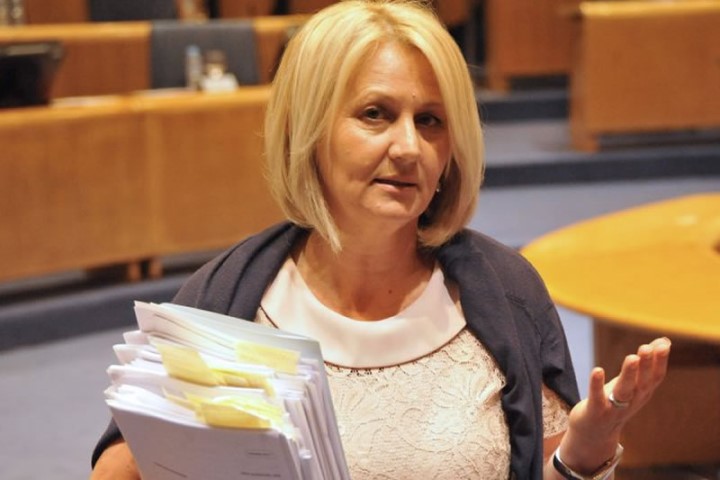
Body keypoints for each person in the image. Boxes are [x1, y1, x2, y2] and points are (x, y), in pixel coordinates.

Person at [90, 1, 671, 478]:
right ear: (309, 129)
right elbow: (124, 468)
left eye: (430, 120)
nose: (409, 148)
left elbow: (549, 468)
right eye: (376, 114)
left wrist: (585, 452)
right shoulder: (225, 298)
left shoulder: (507, 293)